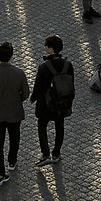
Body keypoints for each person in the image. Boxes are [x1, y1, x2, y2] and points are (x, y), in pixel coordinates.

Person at [0, 41, 29, 186]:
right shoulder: (19, 73)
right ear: (11, 56)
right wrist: (17, 100)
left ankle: (0, 174)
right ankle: (12, 161)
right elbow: (26, 93)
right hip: (14, 113)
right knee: (14, 138)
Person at [31, 35, 76, 164]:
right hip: (62, 101)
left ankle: (45, 153)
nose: (45, 48)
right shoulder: (68, 65)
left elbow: (38, 86)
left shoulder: (44, 67)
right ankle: (56, 153)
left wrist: (33, 98)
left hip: (45, 103)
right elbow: (71, 83)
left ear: (50, 49)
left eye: (46, 46)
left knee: (42, 125)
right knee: (59, 126)